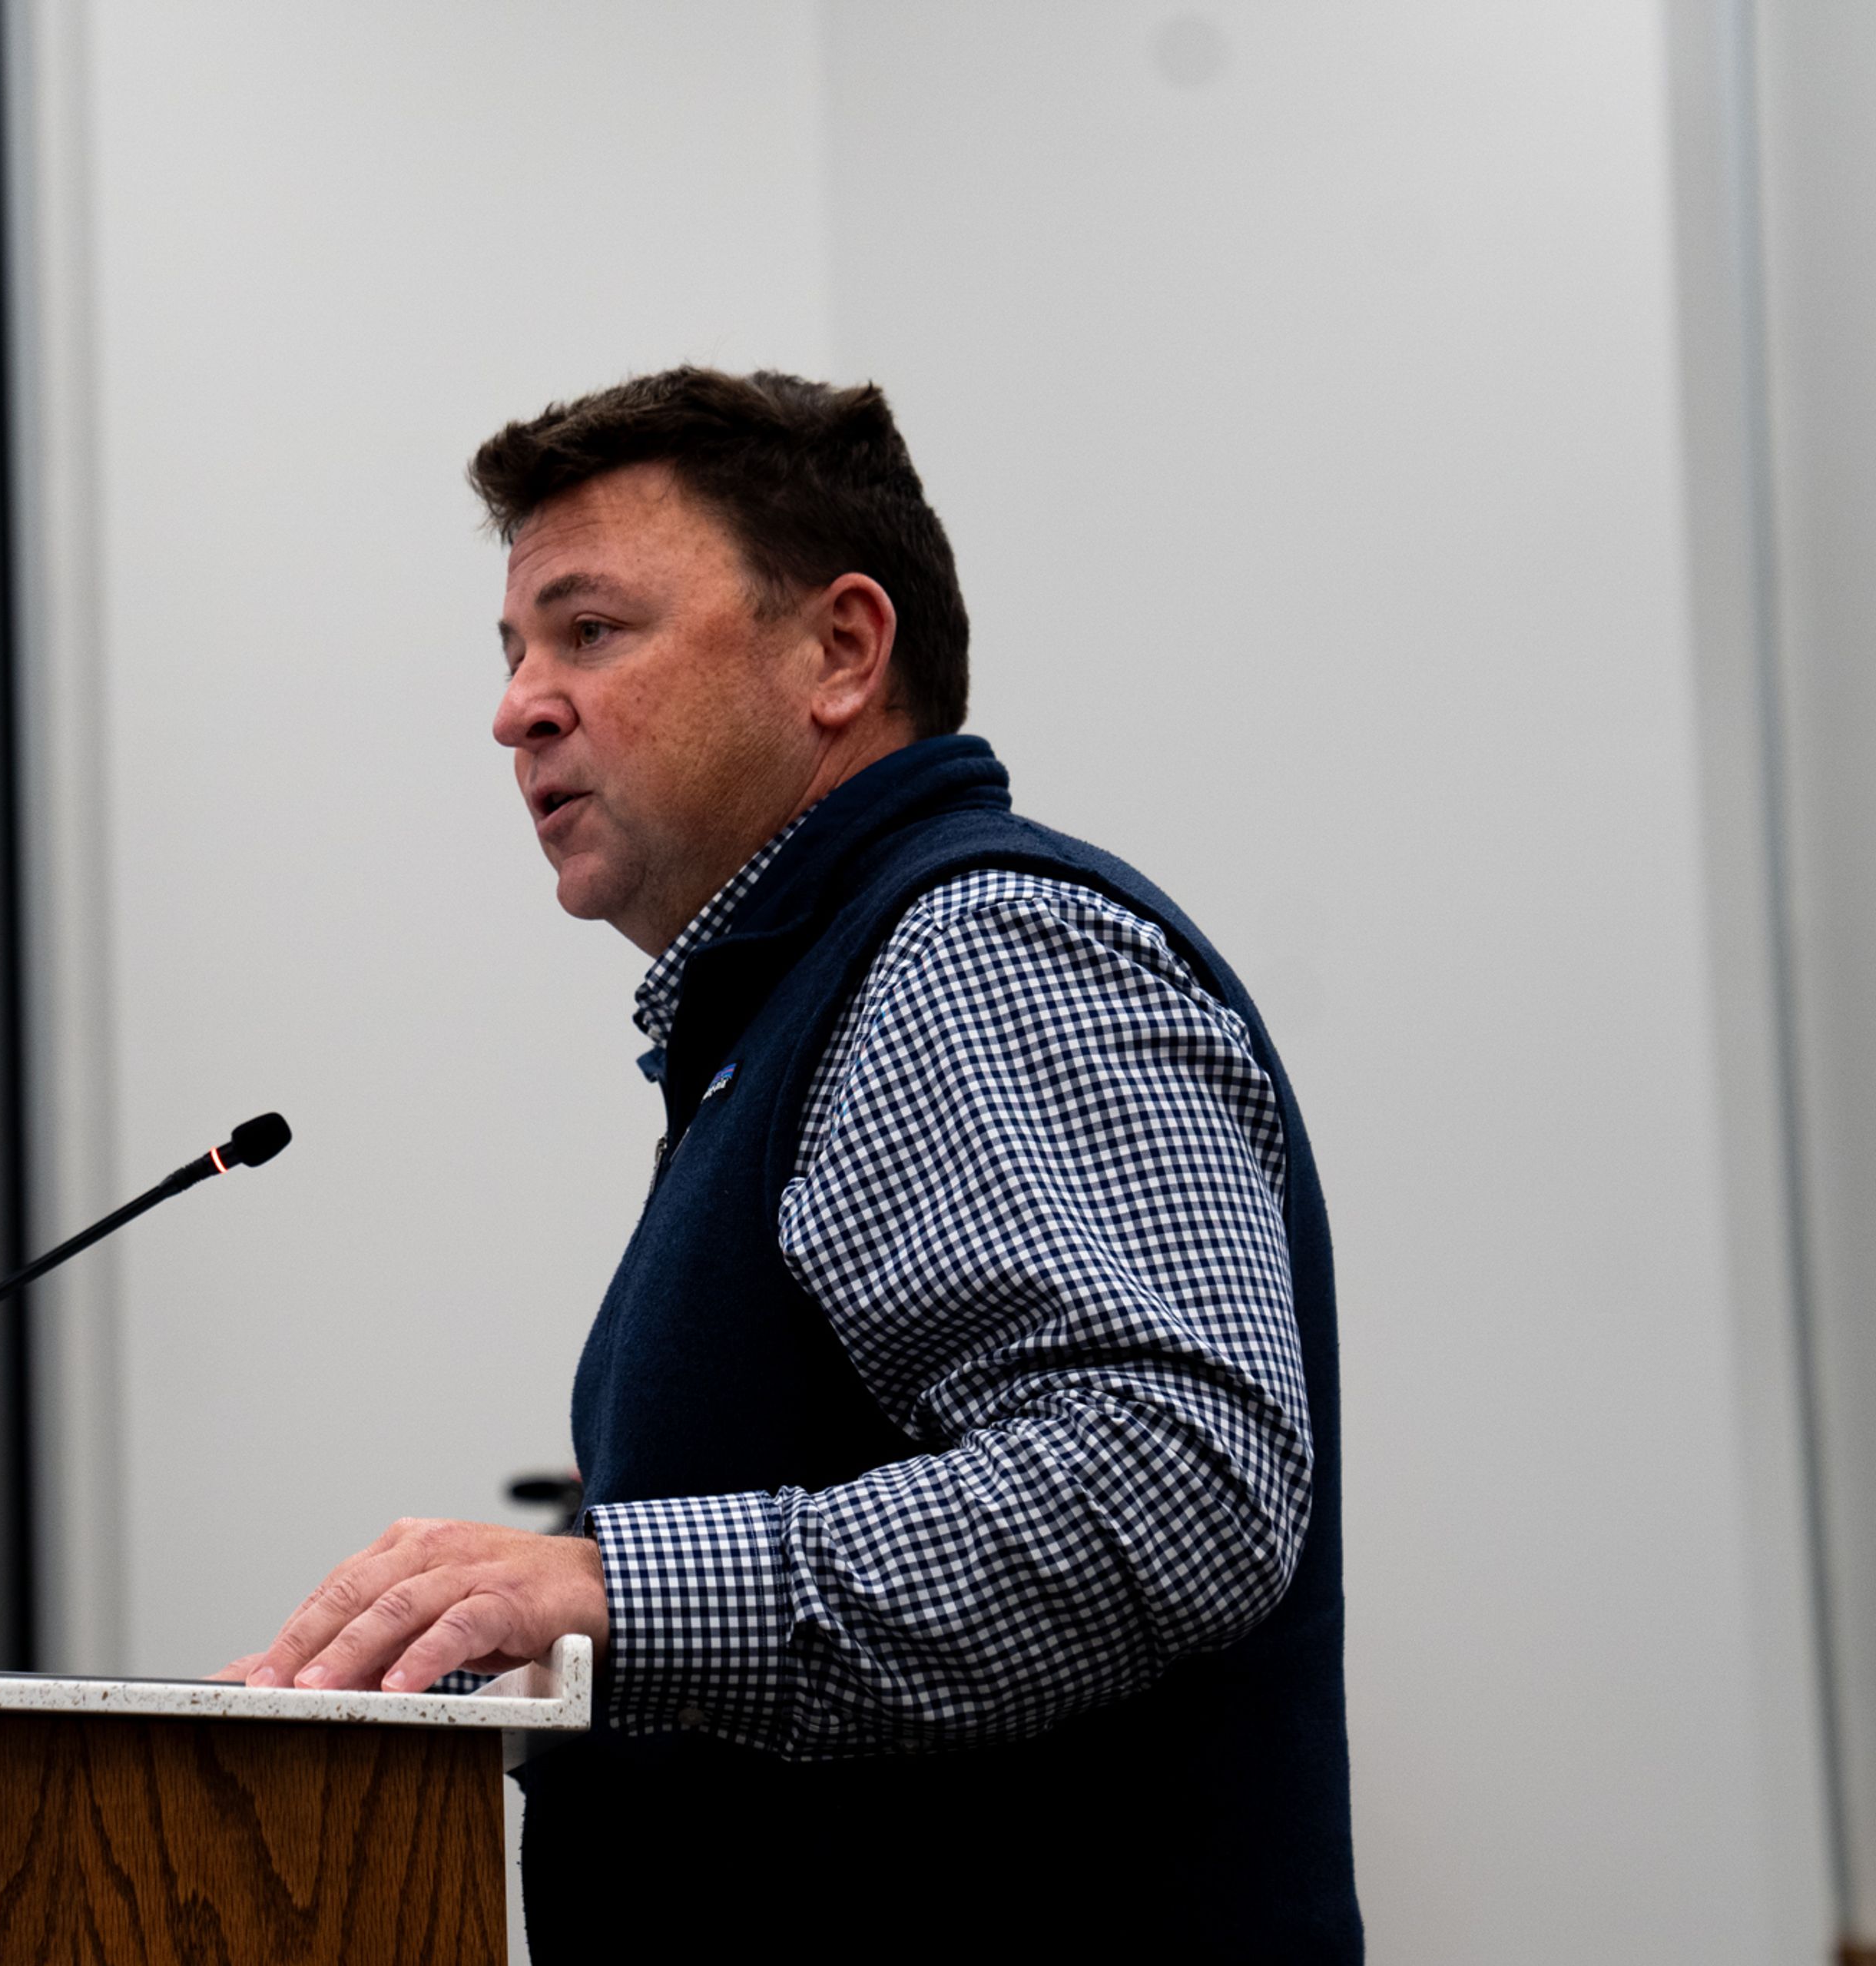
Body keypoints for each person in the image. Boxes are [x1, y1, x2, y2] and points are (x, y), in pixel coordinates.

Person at [224, 368, 1357, 1960]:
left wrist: (612, 1590)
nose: (517, 705)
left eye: (590, 630)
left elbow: (1175, 1479)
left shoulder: (977, 948)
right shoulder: (806, 1004)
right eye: (512, 653)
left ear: (839, 651)